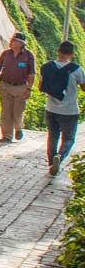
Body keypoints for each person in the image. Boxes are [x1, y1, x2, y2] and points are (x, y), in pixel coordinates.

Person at [41, 40, 85, 176]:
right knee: (69, 138)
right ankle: (59, 157)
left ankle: (51, 163)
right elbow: (84, 87)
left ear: (58, 51)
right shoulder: (76, 69)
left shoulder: (47, 67)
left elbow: (40, 86)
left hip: (51, 108)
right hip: (70, 110)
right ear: (71, 54)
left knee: (53, 136)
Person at [0, 31, 36, 144]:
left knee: (17, 112)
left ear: (20, 43)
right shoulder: (6, 54)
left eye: (14, 41)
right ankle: (7, 136)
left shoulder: (28, 55)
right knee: (6, 112)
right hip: (5, 85)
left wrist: (29, 89)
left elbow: (32, 74)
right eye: (11, 40)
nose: (11, 42)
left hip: (21, 87)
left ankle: (18, 128)